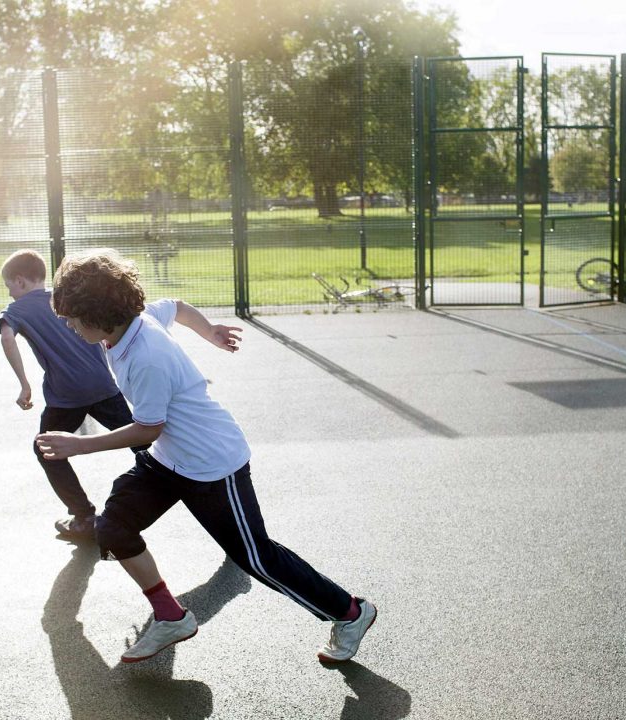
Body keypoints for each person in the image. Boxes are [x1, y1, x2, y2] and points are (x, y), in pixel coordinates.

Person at [35, 249, 376, 665]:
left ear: (99, 312)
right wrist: (209, 330)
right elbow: (175, 306)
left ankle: (351, 613)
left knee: (256, 557)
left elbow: (147, 428)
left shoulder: (146, 357)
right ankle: (170, 616)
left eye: (73, 318)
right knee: (114, 527)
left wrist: (78, 445)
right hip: (169, 460)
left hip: (212, 464)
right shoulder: (125, 327)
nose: (69, 326)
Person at [0, 249, 146, 538]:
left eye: (9, 287)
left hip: (65, 397)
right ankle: (186, 475)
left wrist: (24, 384)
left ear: (19, 281)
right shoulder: (66, 295)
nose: (10, 294)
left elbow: (6, 338)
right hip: (103, 385)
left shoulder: (15, 311)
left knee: (46, 449)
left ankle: (83, 516)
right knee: (141, 439)